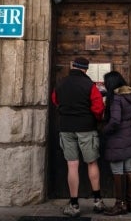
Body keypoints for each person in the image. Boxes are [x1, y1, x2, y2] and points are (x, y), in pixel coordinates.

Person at [52, 56, 106, 217]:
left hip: (66, 128)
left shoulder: (61, 83)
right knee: (92, 163)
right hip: (86, 128)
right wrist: (95, 119)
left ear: (73, 67)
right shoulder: (90, 86)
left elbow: (55, 100)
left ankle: (74, 204)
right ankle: (97, 201)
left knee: (72, 165)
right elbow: (98, 108)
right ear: (85, 69)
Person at [101, 70, 131, 216]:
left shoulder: (116, 98)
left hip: (117, 139)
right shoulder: (129, 96)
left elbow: (115, 121)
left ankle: (119, 204)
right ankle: (130, 203)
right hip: (128, 138)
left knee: (117, 170)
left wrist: (105, 130)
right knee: (128, 169)